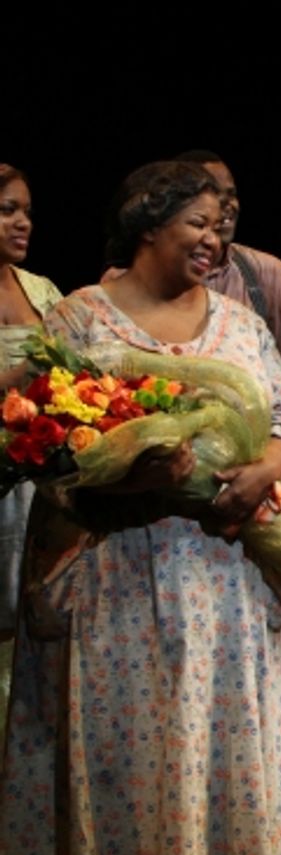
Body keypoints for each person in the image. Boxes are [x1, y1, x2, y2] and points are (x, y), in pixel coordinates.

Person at [0, 160, 281, 855]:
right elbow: (39, 435)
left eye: (223, 225)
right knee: (103, 720)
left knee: (205, 721)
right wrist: (117, 464)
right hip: (112, 557)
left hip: (219, 564)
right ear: (148, 223)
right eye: (199, 224)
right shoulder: (80, 318)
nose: (216, 239)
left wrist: (269, 466)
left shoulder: (241, 324)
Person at [173, 150, 281, 415]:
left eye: (231, 194)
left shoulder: (269, 277)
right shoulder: (133, 284)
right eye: (213, 195)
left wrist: (269, 418)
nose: (227, 206)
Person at [0, 164, 63, 759]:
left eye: (26, 211)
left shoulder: (40, 290)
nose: (23, 223)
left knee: (30, 607)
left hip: (35, 475)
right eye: (7, 210)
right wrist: (19, 379)